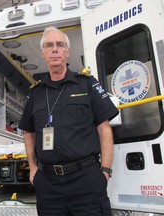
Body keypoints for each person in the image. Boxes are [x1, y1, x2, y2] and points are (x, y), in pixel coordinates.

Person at [18, 26, 119, 216]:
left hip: (86, 179)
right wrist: (33, 169)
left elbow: (104, 129)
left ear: (67, 51)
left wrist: (105, 171)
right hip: (48, 184)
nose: (54, 49)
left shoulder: (87, 84)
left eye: (60, 44)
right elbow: (28, 132)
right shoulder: (35, 93)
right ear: (43, 53)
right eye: (49, 45)